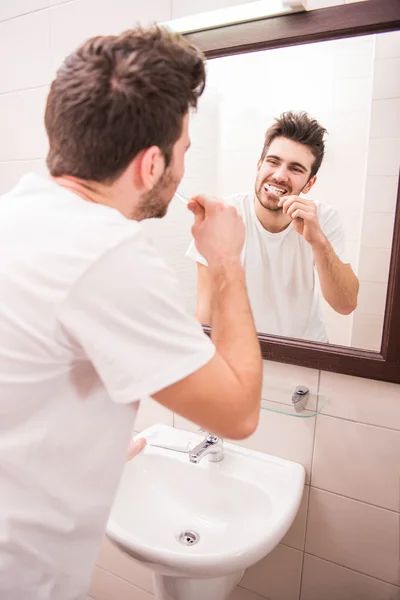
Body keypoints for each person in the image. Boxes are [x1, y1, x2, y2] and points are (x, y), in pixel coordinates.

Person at [0, 27, 263, 600]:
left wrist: (77, 446)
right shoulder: (106, 252)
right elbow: (239, 412)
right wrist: (226, 260)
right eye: (184, 151)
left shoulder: (15, 214)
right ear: (150, 164)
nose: (184, 165)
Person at [187, 111, 359, 342]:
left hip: (305, 353)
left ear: (310, 184)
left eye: (295, 169)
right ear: (259, 165)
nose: (279, 176)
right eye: (273, 162)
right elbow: (205, 315)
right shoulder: (224, 216)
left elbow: (346, 304)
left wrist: (317, 241)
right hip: (242, 350)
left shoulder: (323, 218)